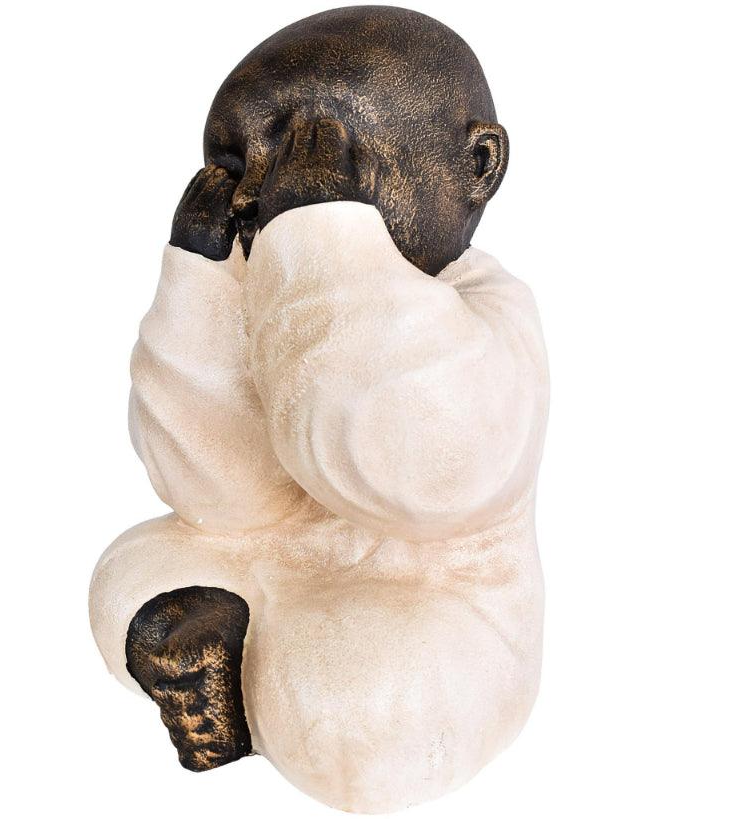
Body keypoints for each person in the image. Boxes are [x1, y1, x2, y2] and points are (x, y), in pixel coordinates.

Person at [90, 7, 549, 812]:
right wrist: (201, 285)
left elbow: (416, 473)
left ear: (475, 166)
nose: (260, 195)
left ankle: (287, 692)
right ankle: (242, 672)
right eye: (236, 166)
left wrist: (327, 237)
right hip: (288, 560)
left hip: (437, 598)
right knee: (136, 573)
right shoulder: (273, 289)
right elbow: (226, 494)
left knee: (364, 703)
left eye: (316, 154)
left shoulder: (490, 314)